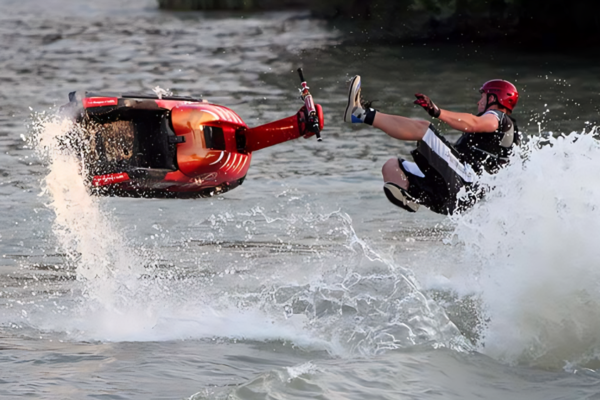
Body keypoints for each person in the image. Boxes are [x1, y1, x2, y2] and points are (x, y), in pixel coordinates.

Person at [343, 76, 520, 215]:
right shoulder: (497, 132)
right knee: (392, 166)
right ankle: (413, 198)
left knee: (424, 129)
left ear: (494, 98)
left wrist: (437, 111)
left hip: (467, 186)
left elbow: (473, 122)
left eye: (482, 97)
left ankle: (360, 114)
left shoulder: (499, 118)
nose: (478, 102)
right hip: (452, 198)